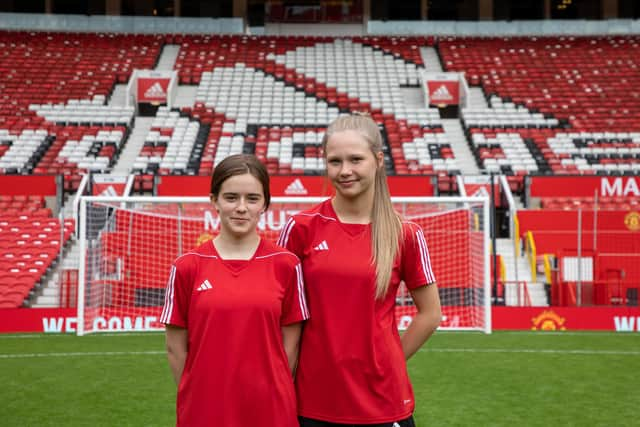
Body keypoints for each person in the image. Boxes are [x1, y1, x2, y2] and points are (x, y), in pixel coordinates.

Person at [277, 113, 442, 427]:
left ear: (378, 160)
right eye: (335, 161)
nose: (345, 171)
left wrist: (387, 363)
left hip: (384, 401)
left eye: (355, 159)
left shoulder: (404, 233)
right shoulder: (301, 228)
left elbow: (430, 313)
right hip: (313, 400)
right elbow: (280, 312)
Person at [161, 153, 309, 427]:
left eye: (252, 198)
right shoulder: (187, 266)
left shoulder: (286, 265)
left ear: (265, 203)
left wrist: (270, 389)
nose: (241, 207)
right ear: (214, 201)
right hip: (205, 409)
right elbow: (175, 348)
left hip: (270, 408)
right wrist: (200, 392)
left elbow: (291, 346)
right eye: (231, 197)